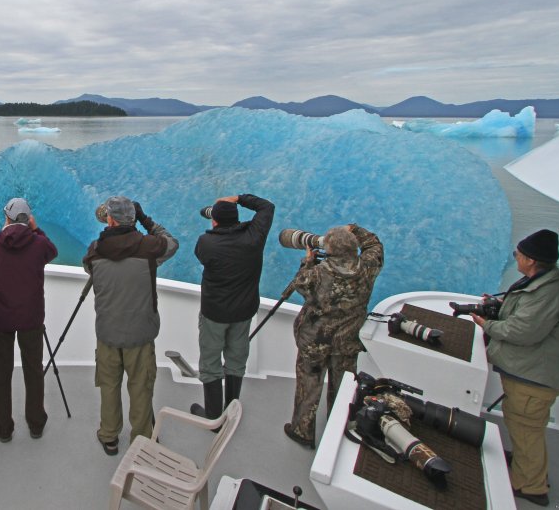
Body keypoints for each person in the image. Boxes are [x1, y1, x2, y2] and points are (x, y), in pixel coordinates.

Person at [472, 229, 559, 507]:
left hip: (535, 378)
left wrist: (487, 325)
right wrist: (497, 306)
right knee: (523, 425)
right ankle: (526, 468)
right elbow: (525, 315)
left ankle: (531, 486)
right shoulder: (542, 283)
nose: (516, 258)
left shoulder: (548, 293)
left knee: (526, 429)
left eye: (517, 254)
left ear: (531, 260)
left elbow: (523, 330)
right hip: (533, 372)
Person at [83, 196, 178, 456]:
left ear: (110, 220)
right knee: (141, 387)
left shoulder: (94, 250)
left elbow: (88, 267)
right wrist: (145, 220)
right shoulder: (149, 248)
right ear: (133, 219)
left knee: (109, 386)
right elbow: (172, 243)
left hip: (108, 334)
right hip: (140, 333)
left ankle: (110, 436)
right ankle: (143, 439)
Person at [285, 223, 383, 449]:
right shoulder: (369, 265)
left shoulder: (318, 273)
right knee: (343, 389)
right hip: (347, 341)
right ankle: (338, 431)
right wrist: (355, 229)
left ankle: (302, 431)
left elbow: (299, 285)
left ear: (328, 250)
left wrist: (307, 261)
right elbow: (375, 244)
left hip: (314, 341)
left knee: (308, 386)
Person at [0, 197, 58, 442]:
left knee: (2, 374)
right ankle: (35, 424)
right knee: (33, 371)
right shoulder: (39, 244)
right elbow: (52, 251)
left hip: (0, 318)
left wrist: (2, 235)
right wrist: (36, 229)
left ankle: (3, 427)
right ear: (27, 219)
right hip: (31, 318)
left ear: (8, 219)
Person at [191, 194, 275, 420]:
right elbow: (266, 207)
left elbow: (202, 256)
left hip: (215, 313)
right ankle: (230, 410)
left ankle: (213, 416)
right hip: (243, 312)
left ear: (214, 220)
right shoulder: (254, 237)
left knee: (210, 362)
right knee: (236, 360)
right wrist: (238, 198)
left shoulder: (206, 242)